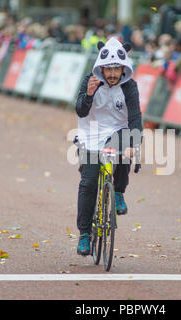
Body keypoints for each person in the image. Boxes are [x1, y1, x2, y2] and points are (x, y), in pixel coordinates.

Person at [74, 38, 142, 256]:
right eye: (108, 70)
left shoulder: (130, 86)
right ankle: (84, 235)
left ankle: (119, 193)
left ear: (124, 68)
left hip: (118, 131)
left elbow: (135, 118)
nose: (112, 74)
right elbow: (80, 111)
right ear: (101, 67)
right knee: (89, 182)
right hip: (91, 133)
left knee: (124, 150)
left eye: (116, 69)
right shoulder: (90, 80)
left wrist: (134, 144)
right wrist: (89, 94)